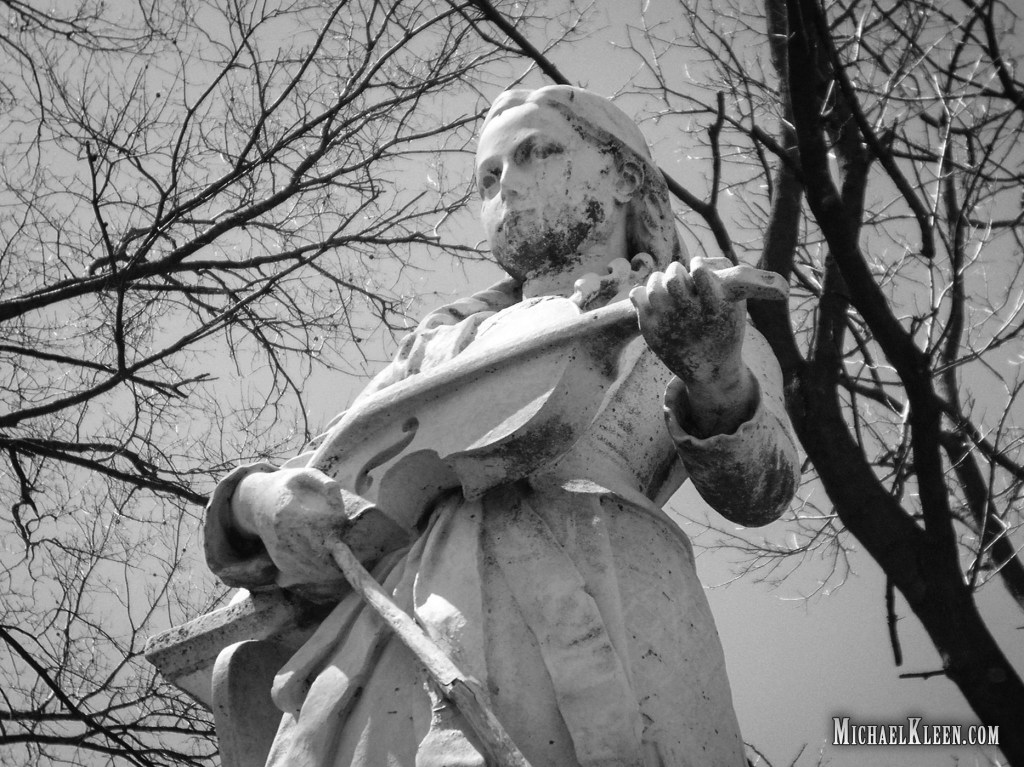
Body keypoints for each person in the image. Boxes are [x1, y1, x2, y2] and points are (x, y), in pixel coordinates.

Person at [204, 85, 799, 767]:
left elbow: (761, 488)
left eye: (534, 153)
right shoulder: (441, 344)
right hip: (416, 622)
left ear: (626, 175)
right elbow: (328, 474)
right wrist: (256, 499)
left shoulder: (694, 306)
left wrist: (715, 373)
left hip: (616, 594)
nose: (505, 185)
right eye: (488, 177)